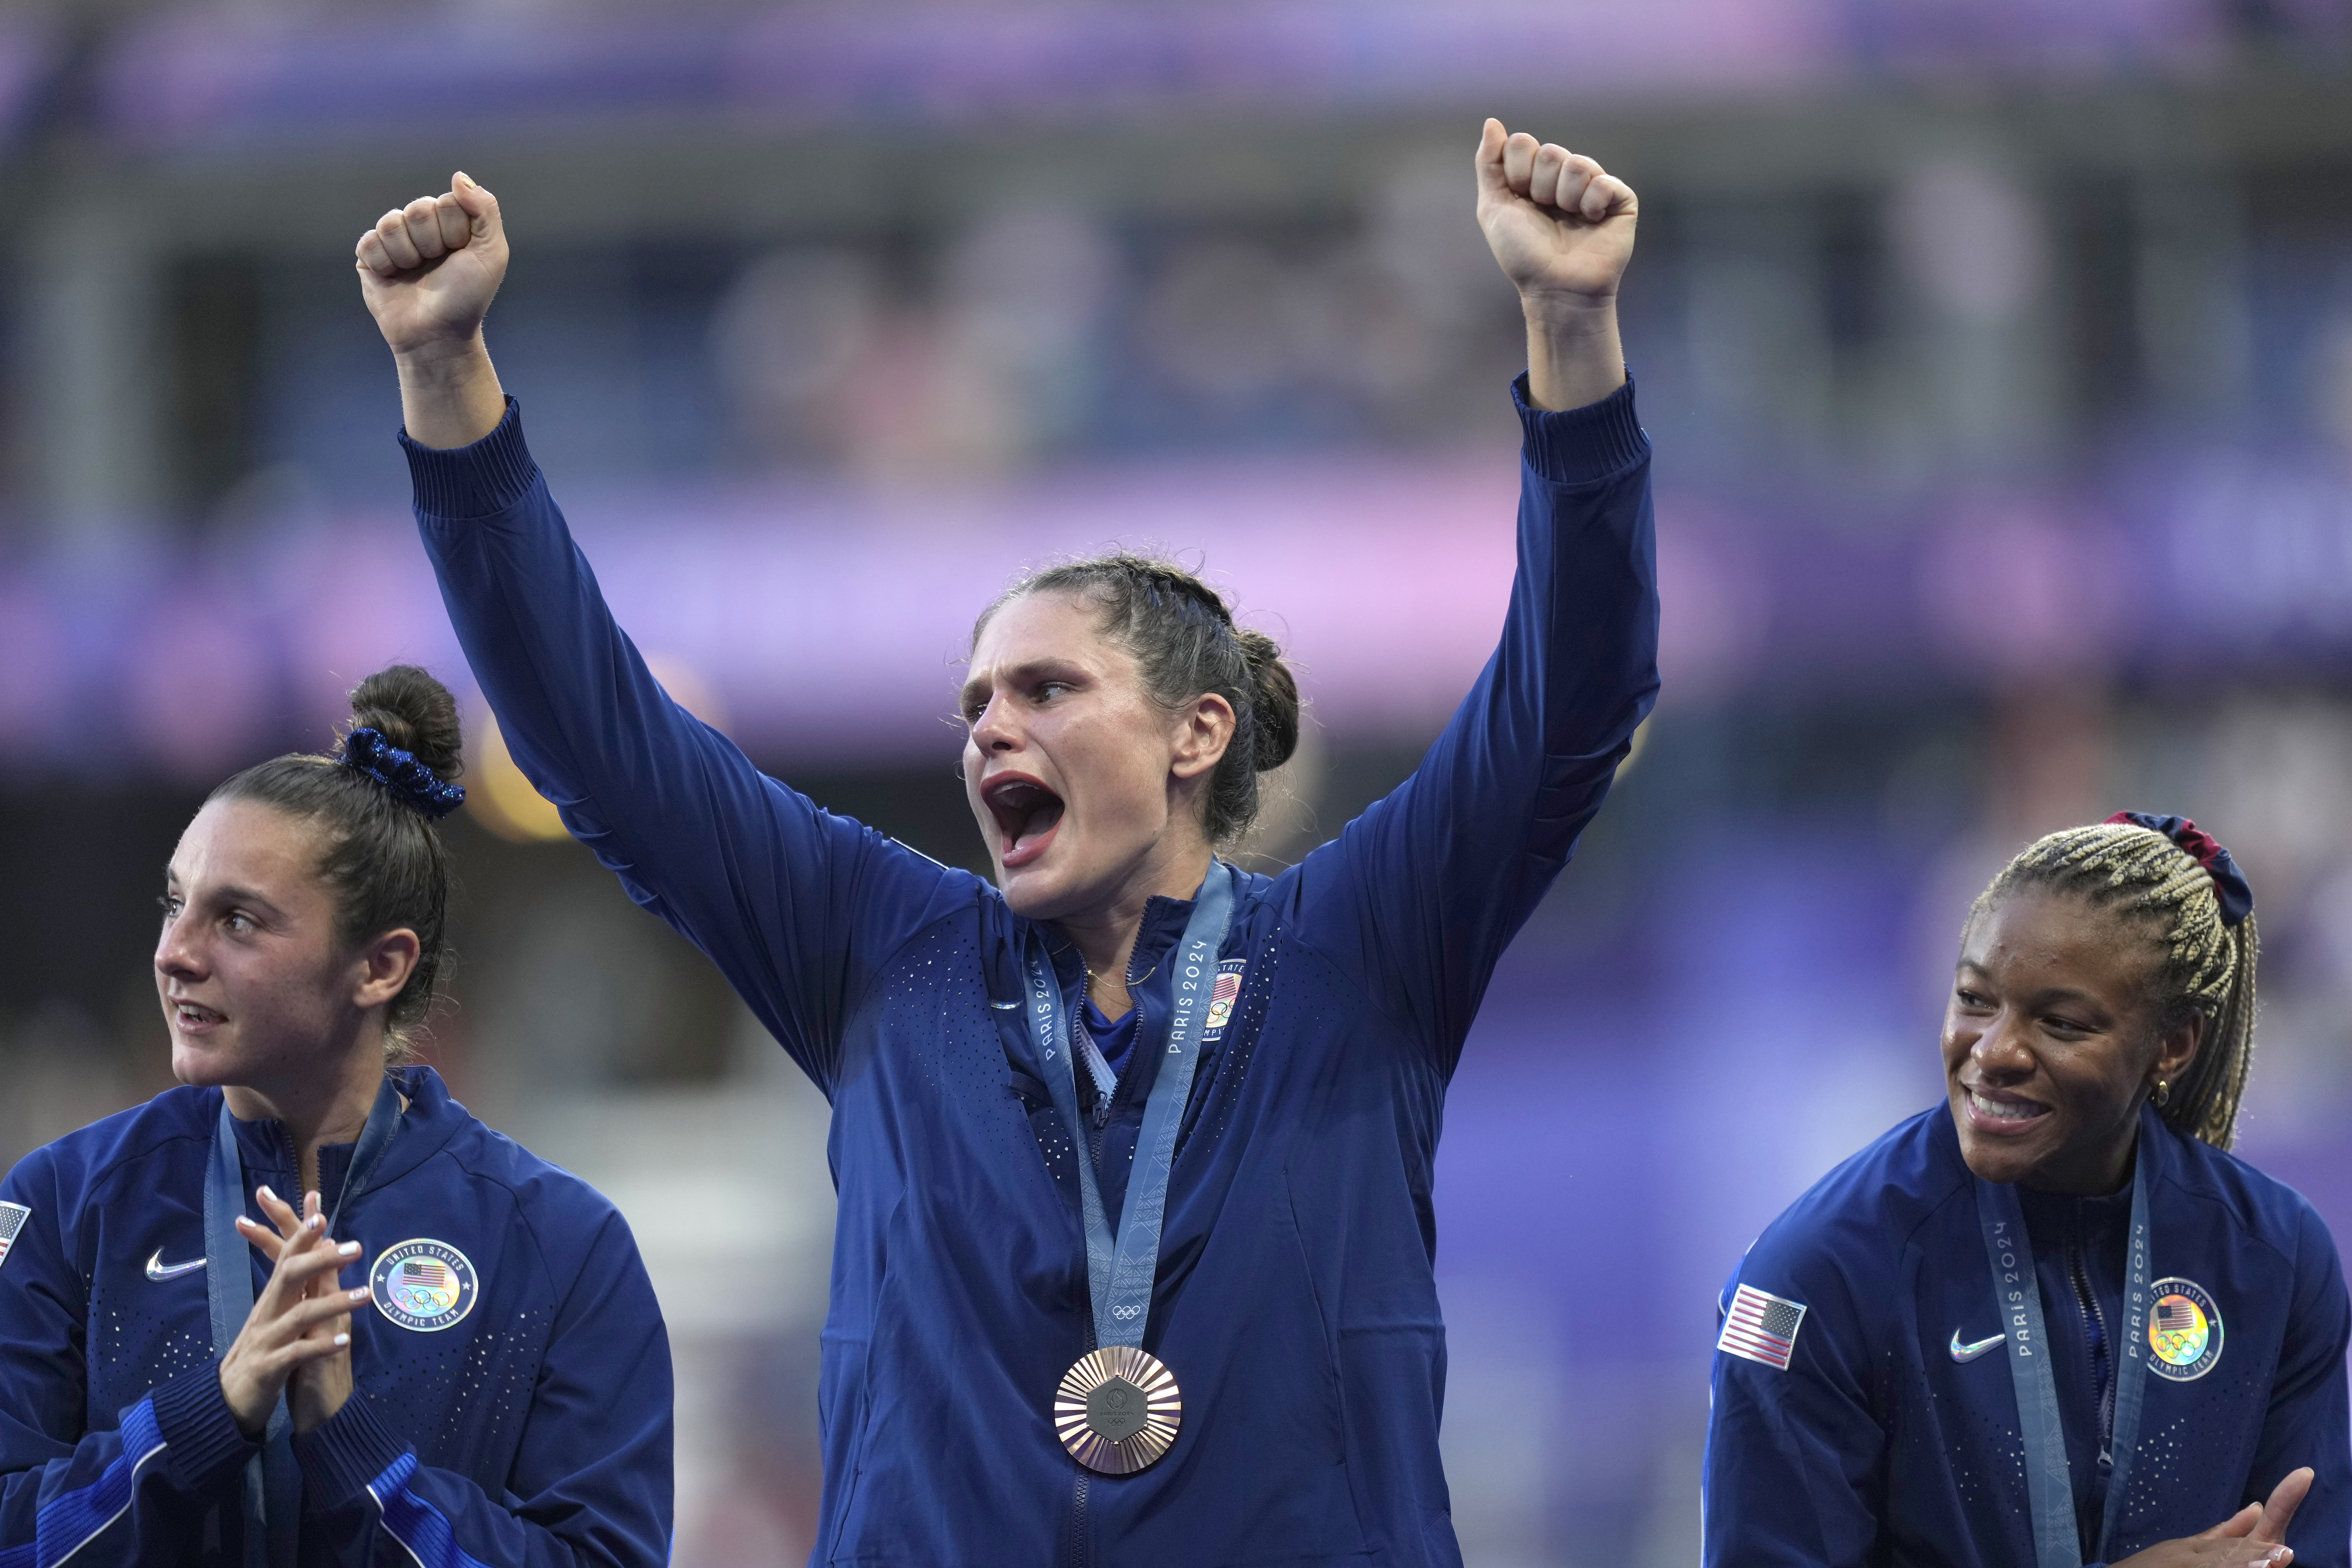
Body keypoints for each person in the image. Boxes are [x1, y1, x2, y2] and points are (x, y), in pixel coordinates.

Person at [355, 117, 1656, 1566]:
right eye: (974, 702)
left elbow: (1571, 706)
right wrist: (445, 380)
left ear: (1196, 734)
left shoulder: (1358, 949)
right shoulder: (879, 950)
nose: (987, 731)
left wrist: (1568, 326)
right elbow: (600, 736)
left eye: (1046, 689)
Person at [0, 668, 673, 1568]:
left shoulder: (559, 1246)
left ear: (380, 967)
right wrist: (208, 1416)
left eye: (237, 920)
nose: (173, 953)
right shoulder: (65, 1205)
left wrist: (357, 1455)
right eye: (175, 902)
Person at [1703, 815, 2349, 1568]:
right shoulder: (1817, 1276)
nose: (1995, 1052)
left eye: (2061, 1022)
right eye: (1974, 999)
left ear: (2173, 1044)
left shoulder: (2271, 1256)